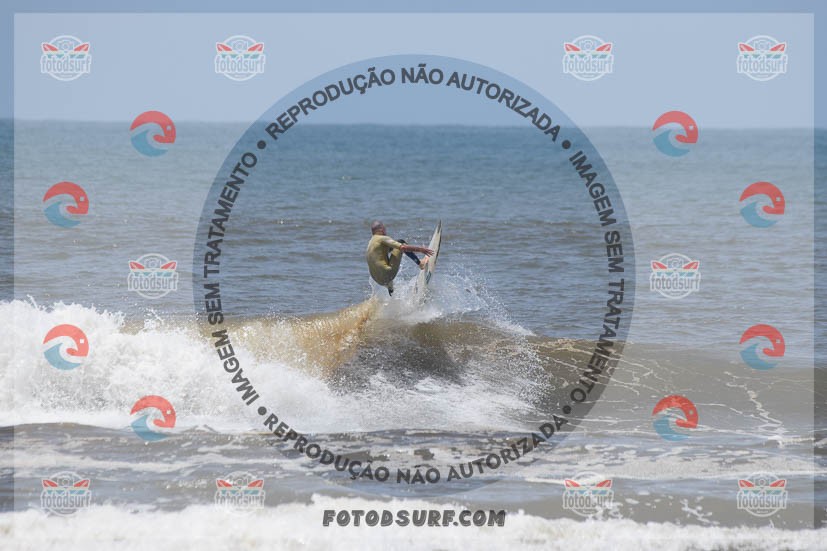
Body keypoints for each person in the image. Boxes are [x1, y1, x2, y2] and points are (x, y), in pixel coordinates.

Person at [366, 220, 434, 296]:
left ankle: (390, 287)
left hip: (378, 280)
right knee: (401, 242)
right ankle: (421, 264)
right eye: (384, 228)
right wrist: (421, 249)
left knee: (385, 256)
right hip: (387, 274)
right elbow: (403, 247)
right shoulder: (382, 238)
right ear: (381, 229)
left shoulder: (371, 243)